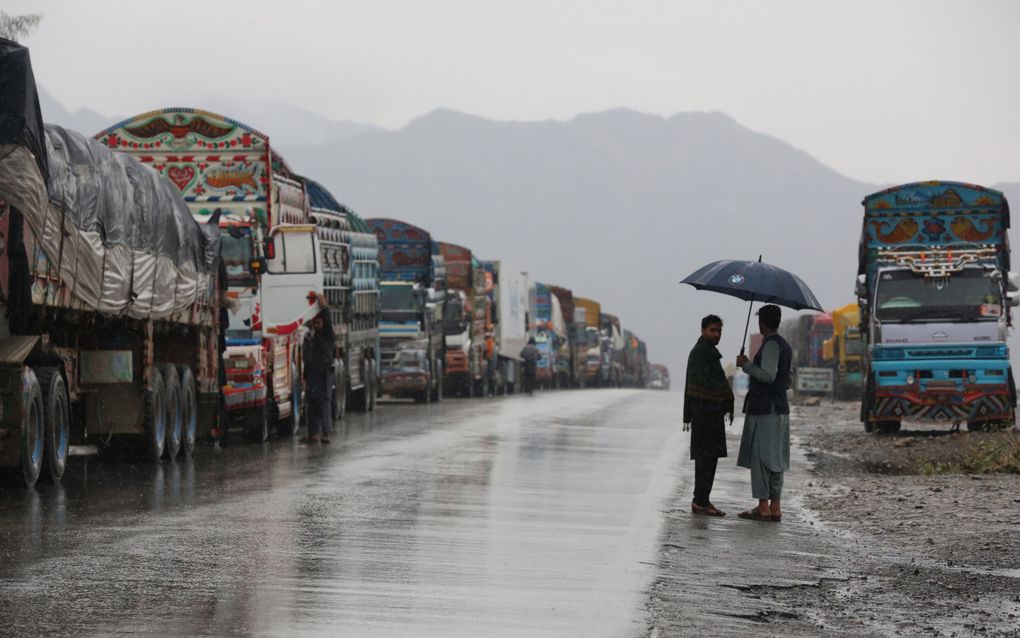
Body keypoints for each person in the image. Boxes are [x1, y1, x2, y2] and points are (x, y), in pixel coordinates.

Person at [735, 304, 792, 522]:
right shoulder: (786, 346)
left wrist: (747, 365)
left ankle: (762, 506)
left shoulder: (770, 345)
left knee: (761, 457)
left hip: (765, 409)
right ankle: (775, 506)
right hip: (780, 409)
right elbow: (787, 378)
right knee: (776, 459)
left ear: (762, 323)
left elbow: (768, 375)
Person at [683, 314, 734, 516]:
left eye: (719, 331)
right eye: (713, 330)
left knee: (710, 459)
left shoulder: (710, 353)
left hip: (711, 414)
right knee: (705, 459)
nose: (716, 335)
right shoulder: (700, 353)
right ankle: (700, 501)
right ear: (703, 330)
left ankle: (703, 499)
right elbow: (699, 386)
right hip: (703, 414)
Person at [302, 292, 334, 444]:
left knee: (324, 402)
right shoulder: (309, 338)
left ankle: (325, 433)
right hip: (312, 373)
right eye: (314, 323)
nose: (316, 325)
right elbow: (306, 358)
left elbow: (326, 317)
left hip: (324, 372)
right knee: (312, 401)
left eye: (318, 323)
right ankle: (313, 433)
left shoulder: (327, 334)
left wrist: (323, 304)